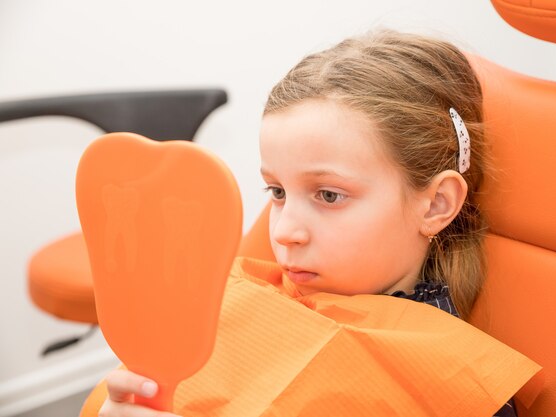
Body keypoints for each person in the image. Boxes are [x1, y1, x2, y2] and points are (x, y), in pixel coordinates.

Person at [98, 30, 522, 417]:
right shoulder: (245, 304)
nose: (283, 232)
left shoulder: (453, 386)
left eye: (329, 195)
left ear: (435, 206)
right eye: (277, 192)